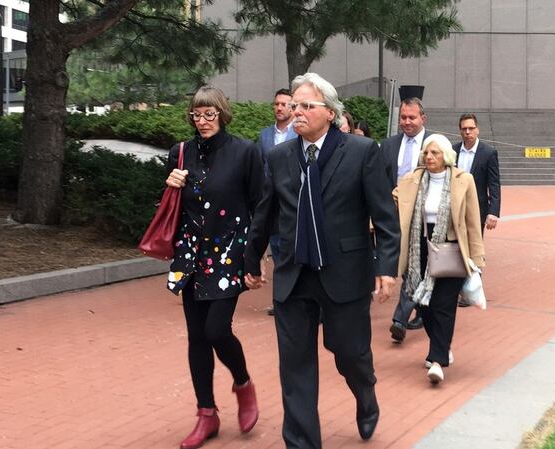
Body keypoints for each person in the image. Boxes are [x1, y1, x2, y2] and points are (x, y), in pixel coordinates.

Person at [244, 72, 400, 449]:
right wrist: (250, 260)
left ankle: (365, 393)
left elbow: (384, 216)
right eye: (293, 105)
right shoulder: (280, 156)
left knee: (349, 354)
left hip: (343, 273)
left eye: (305, 106)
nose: (296, 112)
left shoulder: (362, 152)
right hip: (294, 276)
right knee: (295, 367)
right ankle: (301, 442)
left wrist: (386, 268)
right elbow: (266, 213)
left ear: (329, 112)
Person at [165, 85, 263, 449]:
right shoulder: (180, 153)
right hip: (190, 253)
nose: (202, 121)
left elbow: (260, 206)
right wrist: (170, 185)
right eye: (196, 114)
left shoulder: (244, 152)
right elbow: (168, 208)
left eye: (209, 114)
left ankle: (243, 384)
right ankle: (206, 414)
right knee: (196, 336)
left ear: (222, 114)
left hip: (228, 254)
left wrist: (254, 259)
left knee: (217, 330)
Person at [392, 133, 485, 384]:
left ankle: (437, 361)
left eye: (435, 153)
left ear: (447, 156)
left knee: (444, 304)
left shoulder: (463, 180)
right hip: (418, 249)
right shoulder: (412, 180)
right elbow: (395, 201)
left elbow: (472, 222)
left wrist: (477, 257)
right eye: (426, 153)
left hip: (450, 248)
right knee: (424, 305)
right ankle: (442, 347)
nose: (429, 157)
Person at [380, 97, 428, 340]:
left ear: (423, 119)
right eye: (403, 117)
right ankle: (421, 307)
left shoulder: (434, 145)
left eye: (412, 117)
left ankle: (400, 318)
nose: (407, 122)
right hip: (392, 213)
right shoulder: (388, 145)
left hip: (422, 216)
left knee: (413, 263)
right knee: (402, 260)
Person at [453, 113, 500, 307]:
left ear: (477, 129)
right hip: (455, 210)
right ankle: (456, 287)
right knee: (455, 248)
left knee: (474, 249)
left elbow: (494, 184)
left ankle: (471, 289)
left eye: (471, 128)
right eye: (464, 129)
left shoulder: (488, 153)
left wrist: (493, 212)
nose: (467, 132)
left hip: (477, 211)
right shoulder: (453, 150)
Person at [258, 88, 298, 316]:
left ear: (293, 107)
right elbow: (260, 166)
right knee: (278, 251)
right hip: (272, 202)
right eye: (277, 104)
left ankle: (295, 297)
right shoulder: (264, 135)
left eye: (284, 104)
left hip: (292, 201)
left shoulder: (300, 133)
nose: (280, 108)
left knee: (292, 251)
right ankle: (281, 299)